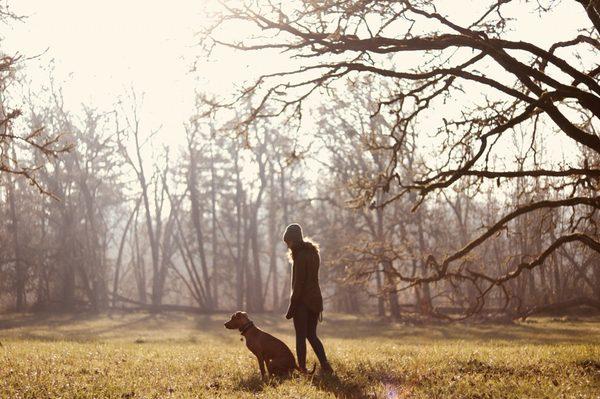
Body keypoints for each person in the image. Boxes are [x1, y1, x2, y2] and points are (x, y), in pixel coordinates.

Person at [283, 223, 333, 374]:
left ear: (293, 239)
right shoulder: (313, 253)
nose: (288, 246)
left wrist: (292, 307)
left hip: (302, 303)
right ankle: (326, 366)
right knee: (312, 335)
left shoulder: (299, 256)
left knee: (300, 336)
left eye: (288, 242)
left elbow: (299, 284)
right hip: (316, 300)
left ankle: (302, 368)